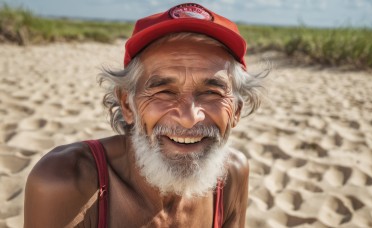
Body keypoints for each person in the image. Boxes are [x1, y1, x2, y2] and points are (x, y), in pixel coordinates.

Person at [24, 3, 264, 227]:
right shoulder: (65, 181)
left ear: (237, 111)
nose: (189, 117)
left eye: (212, 92)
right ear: (127, 104)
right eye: (164, 91)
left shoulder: (231, 174)